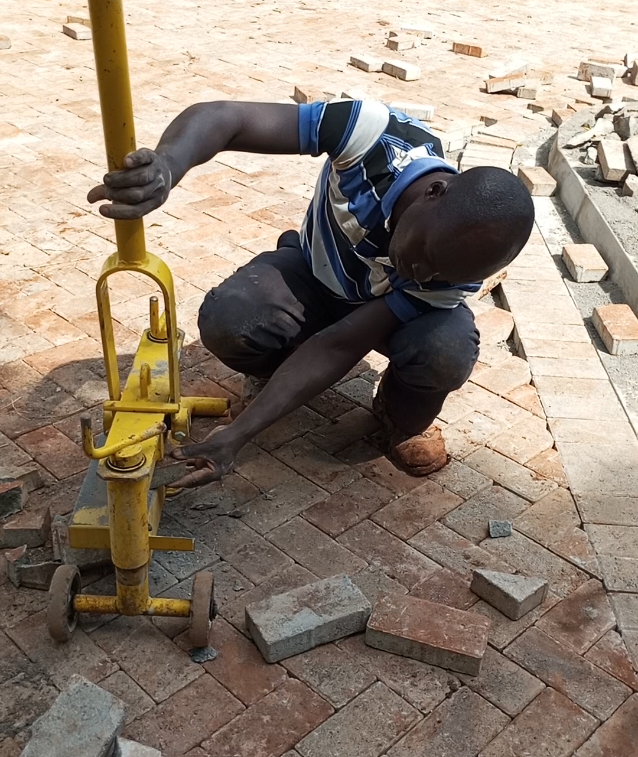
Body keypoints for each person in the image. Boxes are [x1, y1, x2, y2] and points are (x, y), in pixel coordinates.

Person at [88, 99, 534, 487]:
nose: (420, 273)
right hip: (315, 273)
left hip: (384, 314)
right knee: (232, 318)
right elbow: (227, 118)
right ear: (434, 193)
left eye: (440, 275)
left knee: (445, 349)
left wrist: (237, 435)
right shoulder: (371, 136)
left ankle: (399, 420)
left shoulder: (453, 273)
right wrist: (169, 163)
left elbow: (339, 343)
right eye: (425, 254)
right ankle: (276, 374)